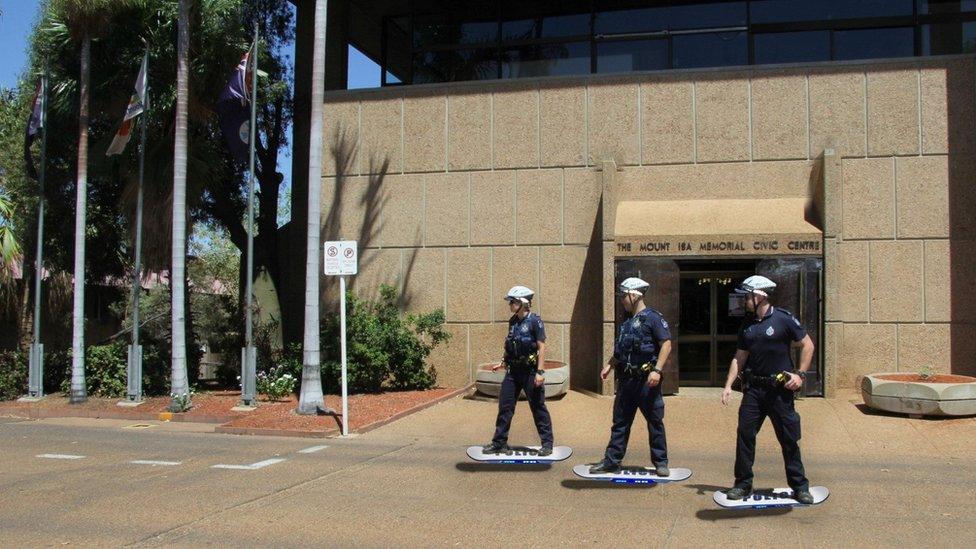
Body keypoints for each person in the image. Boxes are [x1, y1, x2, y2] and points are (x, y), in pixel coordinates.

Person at [721, 275, 816, 504]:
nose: (745, 301)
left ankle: (800, 486)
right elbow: (739, 357)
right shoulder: (747, 325)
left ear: (759, 295)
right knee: (745, 435)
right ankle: (743, 484)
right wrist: (727, 386)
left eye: (748, 296)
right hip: (754, 390)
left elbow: (808, 345)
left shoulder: (783, 319)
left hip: (779, 391)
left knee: (788, 438)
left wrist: (800, 375)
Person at [589, 277, 672, 476]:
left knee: (654, 421)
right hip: (627, 381)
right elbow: (620, 350)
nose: (622, 301)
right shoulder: (626, 322)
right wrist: (609, 365)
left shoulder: (653, 317)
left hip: (646, 381)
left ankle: (661, 462)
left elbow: (666, 344)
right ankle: (612, 461)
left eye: (624, 297)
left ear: (634, 295)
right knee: (620, 422)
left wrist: (657, 370)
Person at [482, 286, 554, 455]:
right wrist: (502, 362)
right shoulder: (513, 321)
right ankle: (499, 442)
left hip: (530, 372)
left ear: (523, 303)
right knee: (505, 407)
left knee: (538, 407)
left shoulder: (535, 321)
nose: (510, 305)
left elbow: (542, 347)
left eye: (513, 302)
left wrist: (540, 372)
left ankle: (547, 444)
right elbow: (510, 344)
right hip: (513, 372)